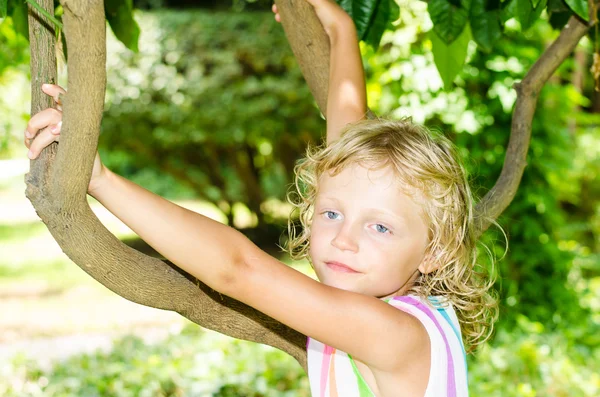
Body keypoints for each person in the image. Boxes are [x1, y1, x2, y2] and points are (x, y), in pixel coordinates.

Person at [24, 0, 498, 395]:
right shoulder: (417, 307)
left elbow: (237, 270)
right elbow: (347, 118)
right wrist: (340, 27)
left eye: (379, 227)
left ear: (436, 251)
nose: (343, 240)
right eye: (332, 213)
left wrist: (102, 180)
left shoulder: (392, 334)